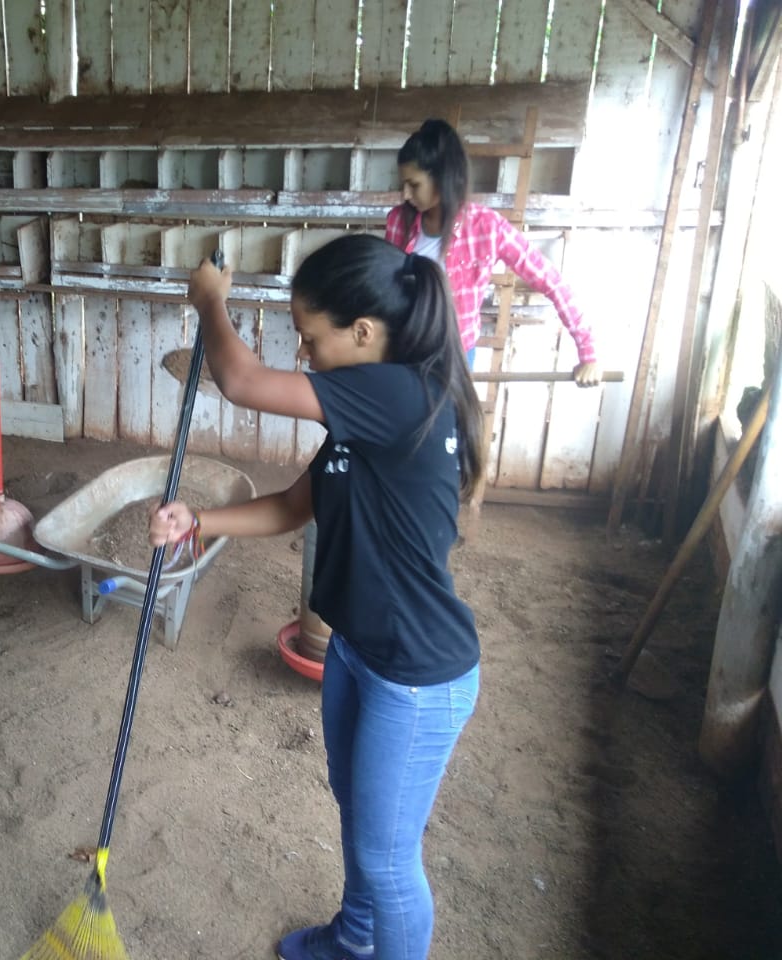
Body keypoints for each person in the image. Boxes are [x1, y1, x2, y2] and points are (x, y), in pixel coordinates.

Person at [150, 235, 484, 960]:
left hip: (417, 672)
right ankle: (356, 937)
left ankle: (377, 936)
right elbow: (294, 506)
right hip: (361, 651)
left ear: (363, 333)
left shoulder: (399, 392)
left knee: (391, 861)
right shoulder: (360, 414)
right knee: (358, 812)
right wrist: (198, 520)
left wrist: (212, 300)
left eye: (311, 338)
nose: (304, 355)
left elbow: (238, 380)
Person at [388, 118, 602, 386]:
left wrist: (588, 353)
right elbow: (385, 288)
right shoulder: (398, 222)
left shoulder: (486, 228)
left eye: (414, 184)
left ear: (442, 178)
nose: (405, 194)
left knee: (448, 428)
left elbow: (552, 282)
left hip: (455, 357)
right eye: (403, 185)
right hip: (403, 352)